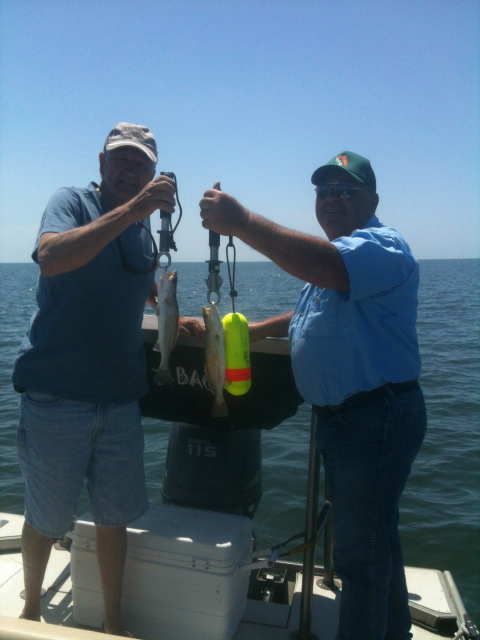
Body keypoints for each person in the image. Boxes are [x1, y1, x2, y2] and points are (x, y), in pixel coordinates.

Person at [199, 152, 427, 640]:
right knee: (375, 540)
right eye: (324, 192)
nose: (332, 200)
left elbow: (326, 270)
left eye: (346, 191)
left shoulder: (380, 247)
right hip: (347, 422)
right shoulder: (340, 258)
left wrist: (240, 222)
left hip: (375, 417)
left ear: (373, 200)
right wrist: (256, 330)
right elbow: (309, 310)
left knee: (358, 558)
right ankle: (395, 634)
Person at [12, 122, 202, 636]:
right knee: (45, 518)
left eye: (141, 163)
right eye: (122, 159)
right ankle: (31, 610)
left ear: (153, 173)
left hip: (120, 400)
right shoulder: (71, 202)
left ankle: (113, 621)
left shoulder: (142, 232)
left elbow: (135, 282)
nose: (131, 169)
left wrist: (168, 311)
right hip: (56, 395)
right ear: (101, 163)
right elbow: (53, 259)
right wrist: (134, 210)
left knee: (115, 517)